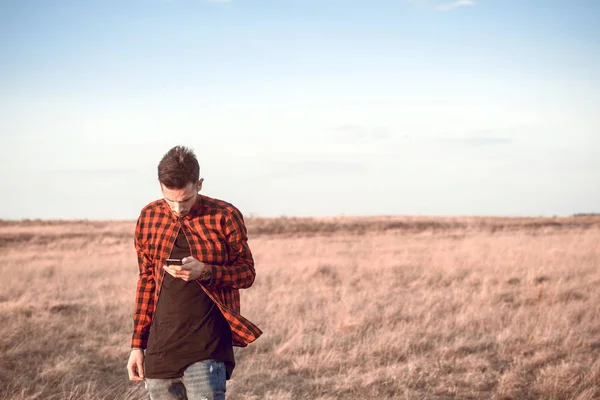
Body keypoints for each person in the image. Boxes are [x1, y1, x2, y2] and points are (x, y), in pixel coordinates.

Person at [126, 145, 261, 400]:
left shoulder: (224, 215)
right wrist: (137, 345)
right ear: (159, 186)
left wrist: (206, 272)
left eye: (185, 199)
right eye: (170, 200)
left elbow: (247, 273)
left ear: (199, 184)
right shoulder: (149, 216)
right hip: (160, 351)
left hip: (206, 349)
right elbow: (146, 282)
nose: (178, 209)